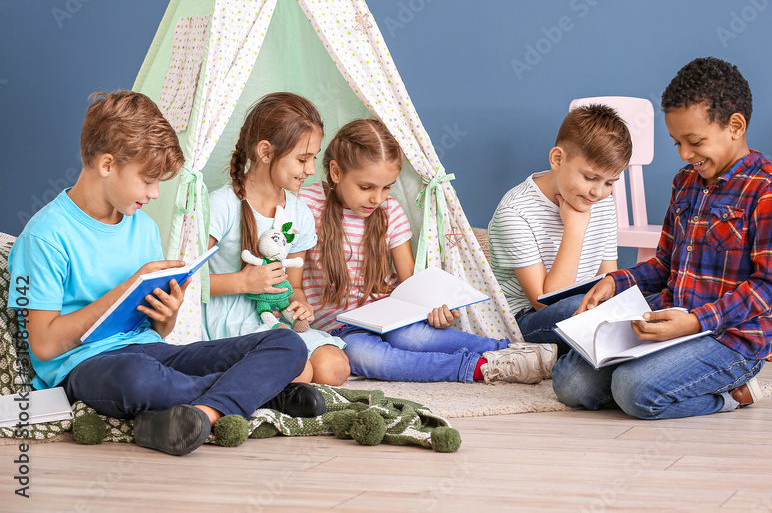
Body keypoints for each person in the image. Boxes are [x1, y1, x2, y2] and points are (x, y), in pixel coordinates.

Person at [8, 91, 323, 457]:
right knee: (138, 379)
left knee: (287, 344)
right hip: (88, 368)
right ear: (107, 165)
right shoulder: (44, 236)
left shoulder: (142, 227)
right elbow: (44, 346)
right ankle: (262, 392)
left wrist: (167, 313)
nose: (156, 194)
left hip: (153, 351)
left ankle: (206, 410)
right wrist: (125, 289)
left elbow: (158, 333)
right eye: (148, 180)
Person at [552, 57, 772, 419]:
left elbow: (766, 287)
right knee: (569, 384)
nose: (683, 154)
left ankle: (733, 395)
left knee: (633, 389)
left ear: (735, 125)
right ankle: (660, 373)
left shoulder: (767, 190)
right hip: (670, 321)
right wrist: (615, 280)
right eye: (676, 142)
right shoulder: (685, 182)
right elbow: (665, 262)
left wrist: (697, 322)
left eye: (694, 141)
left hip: (728, 338)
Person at [299, 118, 555, 384]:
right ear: (336, 172)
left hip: (389, 316)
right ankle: (481, 368)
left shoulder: (390, 212)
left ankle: (515, 352)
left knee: (419, 337)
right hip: (337, 329)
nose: (377, 198)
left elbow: (410, 286)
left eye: (386, 187)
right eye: (366, 187)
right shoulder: (305, 205)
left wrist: (430, 311)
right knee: (369, 357)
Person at [207, 93, 350, 386]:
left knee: (334, 368)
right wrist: (243, 283)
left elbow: (294, 286)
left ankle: (273, 382)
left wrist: (300, 305)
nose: (311, 169)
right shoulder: (220, 206)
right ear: (265, 151)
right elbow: (185, 282)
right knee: (300, 372)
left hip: (275, 316)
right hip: (229, 319)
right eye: (302, 159)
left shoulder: (299, 212)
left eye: (313, 157)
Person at [488, 104, 632, 353]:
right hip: (526, 319)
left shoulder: (602, 202)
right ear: (557, 159)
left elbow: (608, 278)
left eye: (610, 182)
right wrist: (575, 229)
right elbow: (546, 302)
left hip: (585, 307)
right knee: (573, 308)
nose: (598, 192)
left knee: (644, 298)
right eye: (589, 177)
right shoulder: (515, 211)